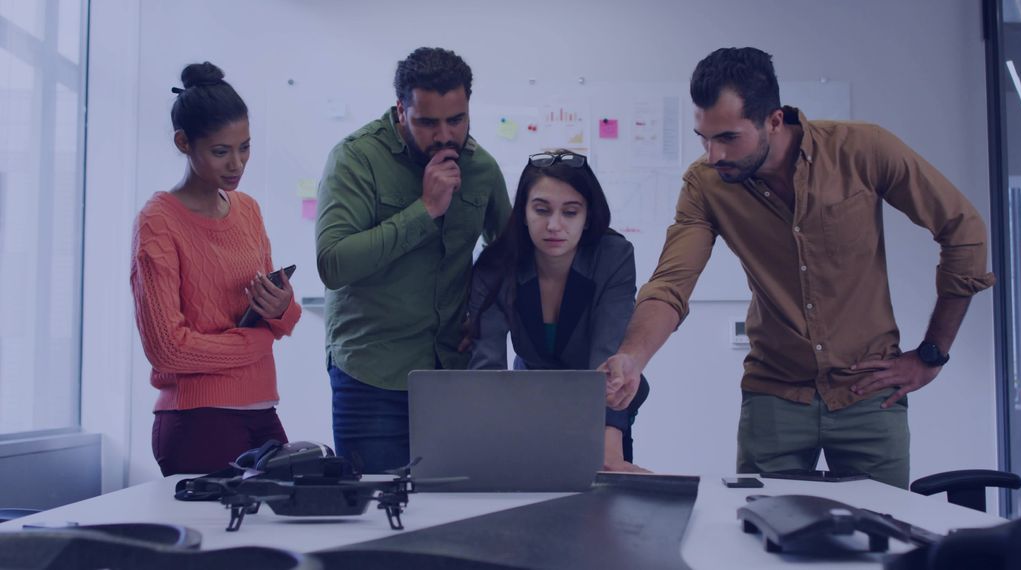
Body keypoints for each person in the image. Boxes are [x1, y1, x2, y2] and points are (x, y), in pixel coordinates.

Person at [600, 47, 995, 489]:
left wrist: (931, 355)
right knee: (761, 539)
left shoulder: (862, 150)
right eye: (704, 138)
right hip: (774, 394)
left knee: (881, 544)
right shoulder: (705, 184)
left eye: (728, 137)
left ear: (774, 120)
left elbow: (964, 230)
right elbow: (672, 283)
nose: (713, 155)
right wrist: (633, 358)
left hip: (869, 392)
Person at [316, 47, 511, 474]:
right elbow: (332, 264)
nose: (444, 135)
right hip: (372, 377)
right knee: (376, 522)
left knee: (456, 517)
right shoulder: (355, 159)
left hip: (454, 377)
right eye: (427, 122)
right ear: (400, 110)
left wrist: (481, 313)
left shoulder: (482, 169)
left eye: (456, 120)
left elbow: (511, 259)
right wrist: (424, 209)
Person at [131, 62, 301, 476]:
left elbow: (279, 318)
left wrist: (281, 307)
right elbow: (166, 349)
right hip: (196, 419)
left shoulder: (248, 210)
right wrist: (254, 344)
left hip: (262, 408)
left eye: (245, 147)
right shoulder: (159, 221)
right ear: (183, 143)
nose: (237, 163)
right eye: (221, 151)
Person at [466, 150, 651, 473]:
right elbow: (486, 368)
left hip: (602, 399)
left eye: (570, 212)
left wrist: (610, 447)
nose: (554, 225)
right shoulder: (495, 265)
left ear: (588, 216)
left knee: (604, 499)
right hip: (528, 401)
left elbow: (609, 356)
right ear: (522, 212)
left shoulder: (614, 256)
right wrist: (488, 445)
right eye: (541, 210)